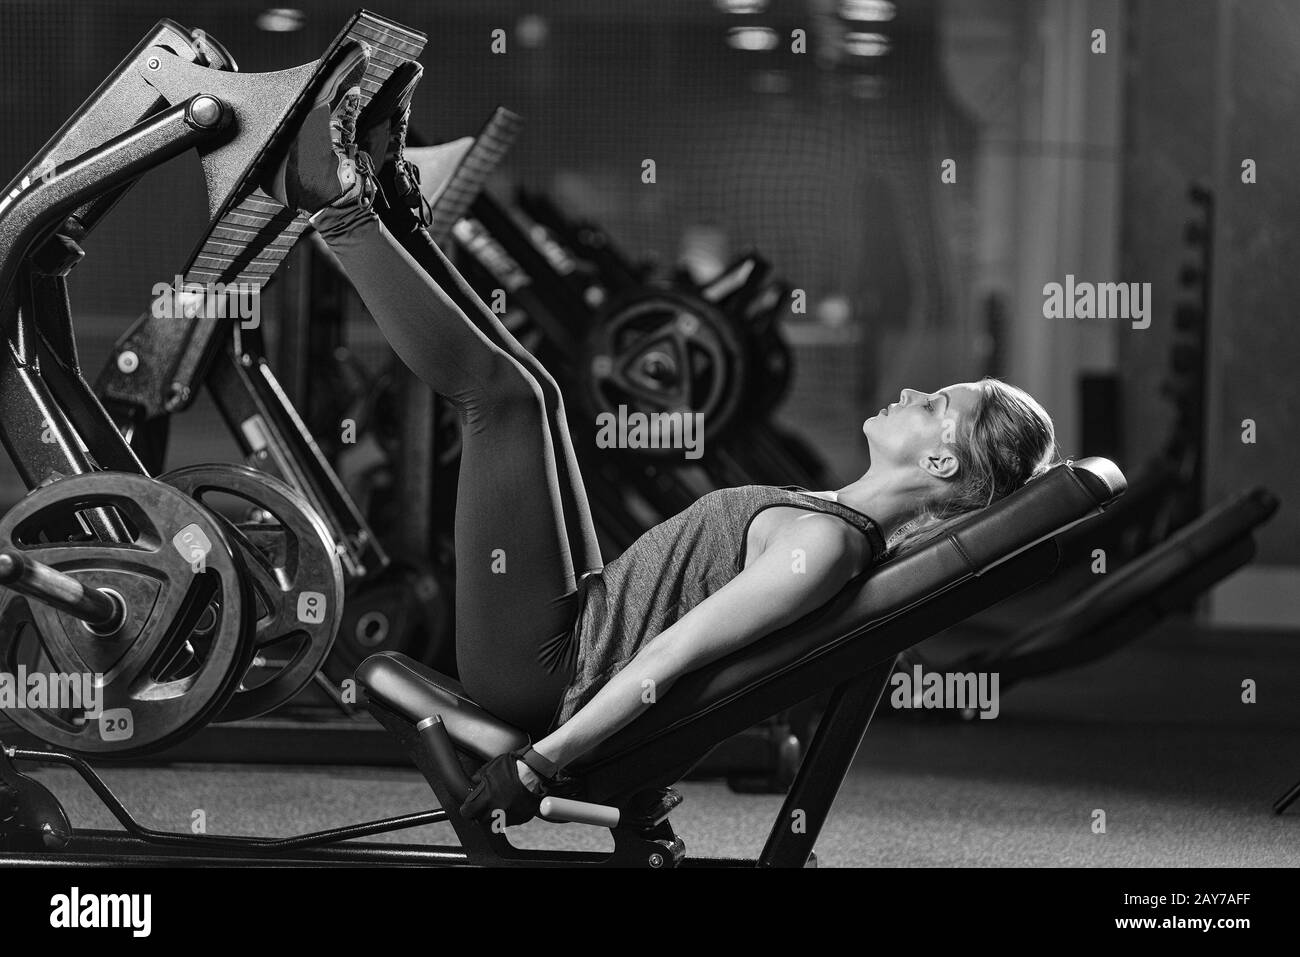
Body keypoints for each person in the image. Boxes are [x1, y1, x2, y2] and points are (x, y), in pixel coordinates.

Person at [266, 44, 1059, 826]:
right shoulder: (833, 523)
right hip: (580, 615)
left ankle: (332, 200)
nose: (915, 392)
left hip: (547, 668)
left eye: (935, 406)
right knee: (537, 393)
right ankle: (394, 206)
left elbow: (669, 662)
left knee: (498, 400)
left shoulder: (823, 548)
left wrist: (540, 762)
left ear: (942, 458)